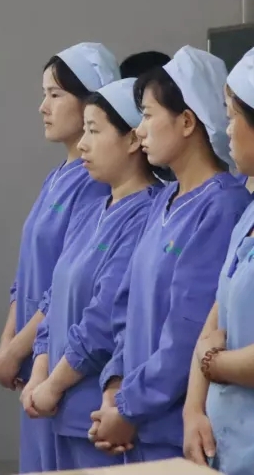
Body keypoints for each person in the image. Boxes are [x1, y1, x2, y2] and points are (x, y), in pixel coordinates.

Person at [90, 46, 252, 462]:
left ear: (186, 121)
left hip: (172, 430)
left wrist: (130, 406)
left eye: (147, 115)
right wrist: (116, 388)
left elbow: (187, 329)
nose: (139, 130)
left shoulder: (222, 206)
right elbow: (124, 305)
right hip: (136, 421)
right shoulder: (163, 200)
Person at [0, 42, 119, 473]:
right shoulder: (58, 176)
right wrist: (8, 344)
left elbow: (64, 288)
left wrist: (18, 350)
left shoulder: (96, 184)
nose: (43, 106)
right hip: (35, 362)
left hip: (61, 364)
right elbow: (28, 274)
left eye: (55, 94)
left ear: (90, 103)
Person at [19, 75, 160, 471]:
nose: (82, 144)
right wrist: (40, 371)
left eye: (94, 131)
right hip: (55, 404)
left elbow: (104, 318)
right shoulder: (92, 210)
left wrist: (53, 384)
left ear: (132, 139)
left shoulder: (145, 216)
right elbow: (53, 297)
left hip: (94, 414)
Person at [183, 46, 254, 475]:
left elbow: (210, 348)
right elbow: (218, 308)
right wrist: (193, 409)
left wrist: (213, 363)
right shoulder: (249, 213)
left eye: (231, 117)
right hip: (225, 447)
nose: (225, 130)